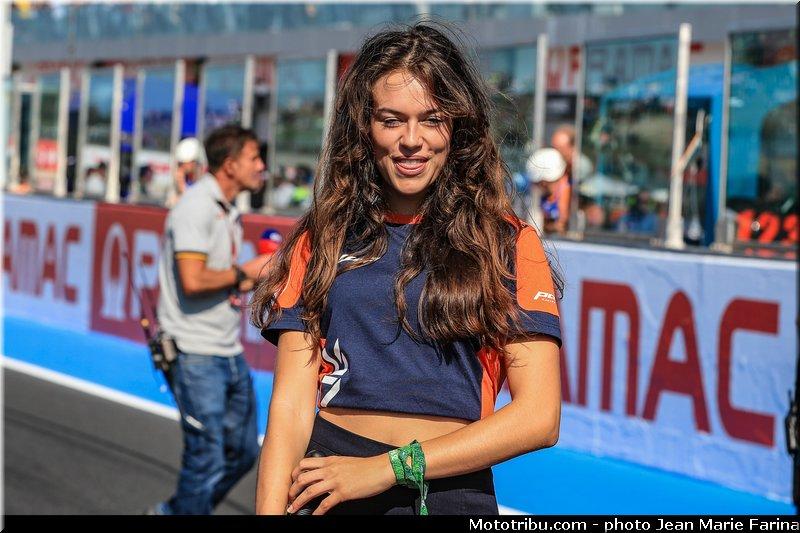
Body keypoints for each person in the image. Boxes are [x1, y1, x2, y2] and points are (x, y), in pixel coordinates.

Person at [251, 23, 563, 516]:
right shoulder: (322, 237)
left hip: (447, 493)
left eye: (431, 119)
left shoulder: (508, 243)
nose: (411, 141)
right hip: (327, 482)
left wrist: (387, 468)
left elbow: (539, 418)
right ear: (365, 127)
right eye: (392, 120)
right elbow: (289, 408)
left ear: (457, 127)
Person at [149, 125, 272, 515]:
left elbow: (222, 279)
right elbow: (193, 280)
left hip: (226, 348)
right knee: (205, 459)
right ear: (230, 165)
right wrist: (246, 271)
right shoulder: (196, 206)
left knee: (243, 452)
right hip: (194, 351)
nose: (262, 166)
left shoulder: (227, 207)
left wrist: (263, 275)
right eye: (254, 158)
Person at [527, 147, 571, 235]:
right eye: (538, 183)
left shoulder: (571, 194)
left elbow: (561, 225)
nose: (541, 187)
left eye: (545, 183)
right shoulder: (545, 197)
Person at [165, 137, 206, 208]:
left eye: (186, 162)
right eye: (181, 163)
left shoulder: (202, 182)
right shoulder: (181, 179)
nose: (182, 166)